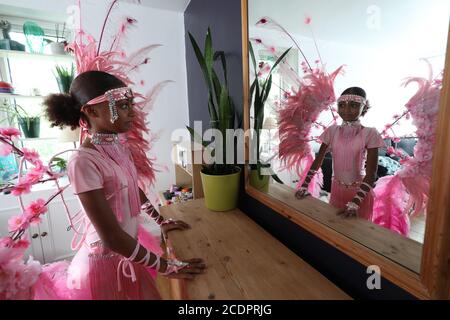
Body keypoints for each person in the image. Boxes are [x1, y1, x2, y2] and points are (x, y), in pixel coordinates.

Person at [37, 70, 205, 300]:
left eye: (130, 104)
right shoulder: (83, 161)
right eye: (122, 106)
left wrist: (160, 220)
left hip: (129, 252)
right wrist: (166, 266)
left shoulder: (118, 146)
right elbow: (111, 238)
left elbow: (131, 188)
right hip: (105, 265)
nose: (131, 113)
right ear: (92, 111)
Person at [295, 87, 385, 219]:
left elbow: (371, 173)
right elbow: (318, 161)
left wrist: (356, 202)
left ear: (364, 108)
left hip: (360, 194)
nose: (346, 110)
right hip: (336, 191)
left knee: (357, 234)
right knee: (333, 228)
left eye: (353, 105)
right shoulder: (332, 131)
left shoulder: (370, 133)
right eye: (342, 105)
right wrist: (304, 186)